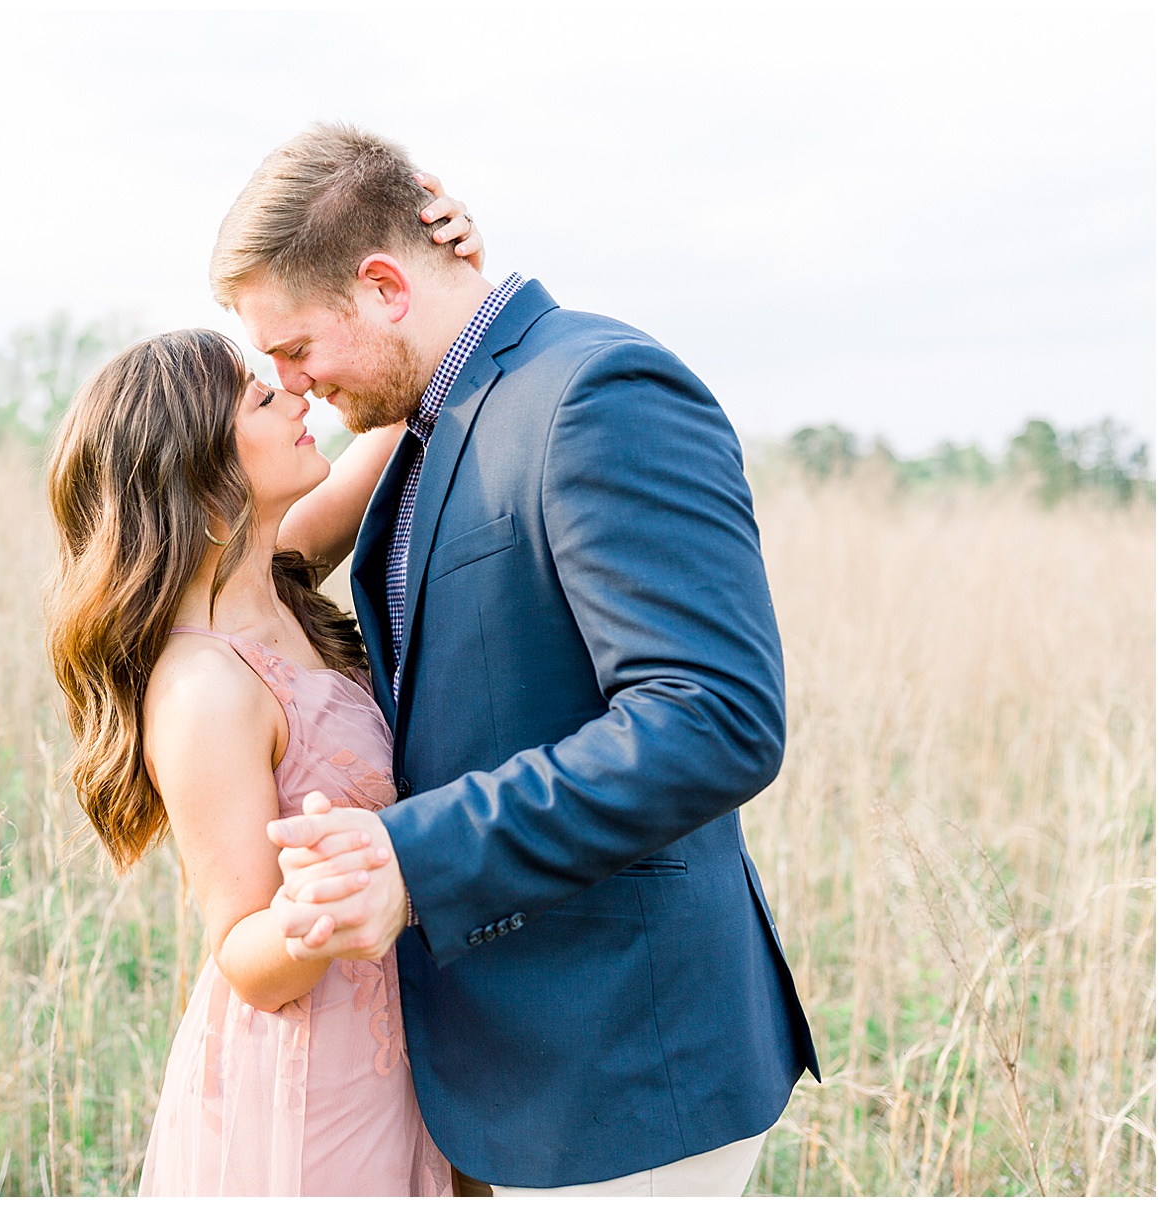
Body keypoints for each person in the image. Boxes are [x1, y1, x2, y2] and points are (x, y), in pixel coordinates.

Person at [209, 124, 821, 1195]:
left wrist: (415, 859)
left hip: (627, 1070)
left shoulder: (596, 392)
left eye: (298, 348)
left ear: (386, 287)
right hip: (510, 1076)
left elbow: (712, 715)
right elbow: (251, 569)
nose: (294, 384)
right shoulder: (430, 414)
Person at [44, 180, 483, 1195]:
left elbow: (403, 402)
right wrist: (334, 897)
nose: (297, 392)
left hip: (395, 1046)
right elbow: (242, 948)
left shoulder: (280, 564)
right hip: (310, 1084)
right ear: (197, 469)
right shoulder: (203, 687)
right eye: (259, 393)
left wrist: (446, 275)